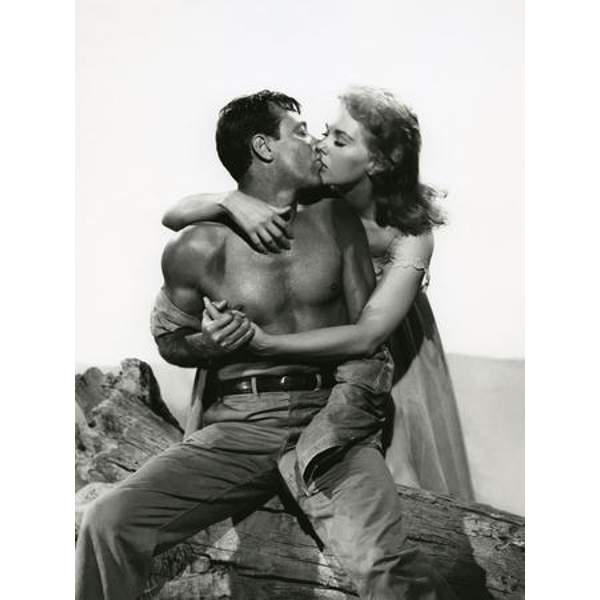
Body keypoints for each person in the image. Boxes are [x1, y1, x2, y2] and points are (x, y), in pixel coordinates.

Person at [76, 90, 455, 600]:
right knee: (106, 521)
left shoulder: (338, 219)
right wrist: (206, 342)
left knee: (385, 565)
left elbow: (368, 340)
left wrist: (339, 421)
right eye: (303, 132)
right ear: (264, 146)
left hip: (332, 417)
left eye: (332, 136)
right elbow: (171, 342)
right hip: (240, 424)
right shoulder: (197, 244)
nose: (317, 142)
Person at [162, 85, 475, 500]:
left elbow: (369, 336)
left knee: (393, 473)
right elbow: (173, 216)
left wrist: (266, 344)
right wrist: (232, 202)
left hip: (387, 346)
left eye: (339, 141)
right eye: (325, 132)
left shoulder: (410, 233)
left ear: (378, 161)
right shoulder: (313, 192)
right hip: (298, 340)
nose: (320, 145)